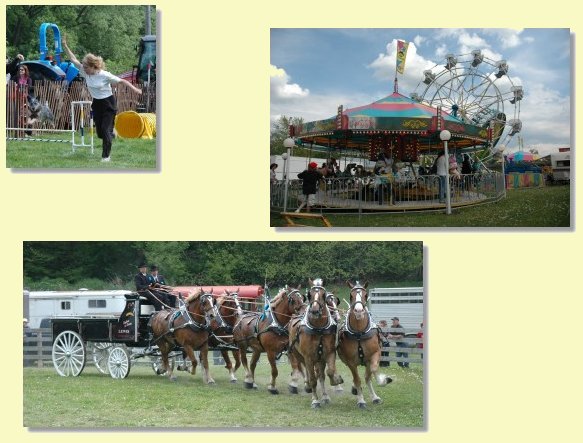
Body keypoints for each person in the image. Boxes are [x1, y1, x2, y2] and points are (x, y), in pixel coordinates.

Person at [62, 34, 142, 162]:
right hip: (97, 104)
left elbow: (122, 81)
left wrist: (135, 89)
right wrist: (65, 45)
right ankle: (111, 133)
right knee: (100, 132)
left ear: (93, 66)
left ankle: (106, 157)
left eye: (86, 66)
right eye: (83, 66)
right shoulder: (84, 71)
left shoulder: (105, 75)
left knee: (105, 130)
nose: (83, 68)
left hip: (108, 104)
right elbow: (73, 59)